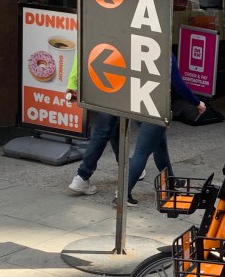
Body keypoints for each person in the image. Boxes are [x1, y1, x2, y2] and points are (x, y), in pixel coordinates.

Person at [120, 54, 205, 206]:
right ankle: (122, 195)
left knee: (160, 146)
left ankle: (171, 181)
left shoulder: (138, 46)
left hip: (138, 105)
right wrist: (197, 102)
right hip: (156, 108)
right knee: (142, 152)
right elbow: (179, 85)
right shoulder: (165, 54)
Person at [67, 56, 122, 195]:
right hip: (119, 79)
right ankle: (82, 175)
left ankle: (126, 166)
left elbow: (80, 51)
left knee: (111, 124)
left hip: (102, 78)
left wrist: (73, 83)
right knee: (105, 128)